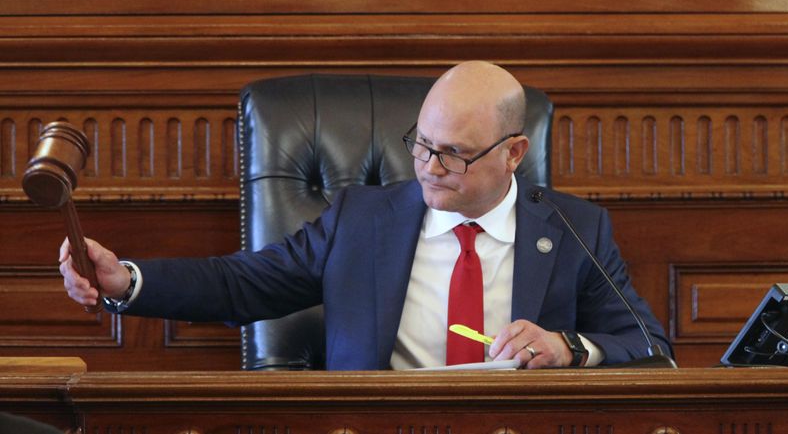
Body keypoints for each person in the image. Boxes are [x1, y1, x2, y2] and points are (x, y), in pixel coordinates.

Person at [60, 61, 671, 370]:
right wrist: (128, 281)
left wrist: (569, 348)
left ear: (514, 152)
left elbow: (650, 349)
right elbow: (242, 284)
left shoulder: (573, 230)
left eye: (454, 153)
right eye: (422, 143)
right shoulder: (361, 220)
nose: (429, 166)